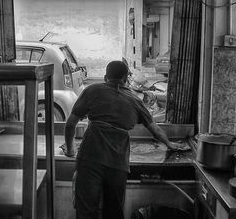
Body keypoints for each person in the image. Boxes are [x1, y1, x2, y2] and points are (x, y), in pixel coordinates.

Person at [62, 60, 179, 219]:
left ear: (105, 77)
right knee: (114, 211)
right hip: (117, 163)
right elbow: (155, 129)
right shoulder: (135, 100)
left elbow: (70, 124)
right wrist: (169, 143)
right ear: (126, 78)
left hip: (89, 158)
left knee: (86, 211)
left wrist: (70, 150)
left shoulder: (92, 90)